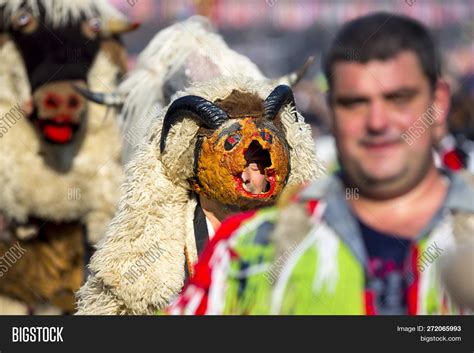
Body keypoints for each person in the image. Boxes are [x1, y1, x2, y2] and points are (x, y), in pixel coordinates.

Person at [167, 12, 474, 315]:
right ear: (331, 109)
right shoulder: (248, 253)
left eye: (398, 98)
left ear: (439, 103)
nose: (377, 122)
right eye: (355, 103)